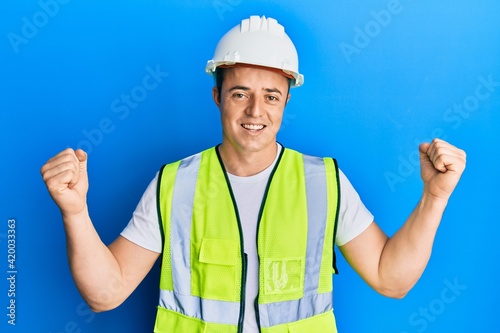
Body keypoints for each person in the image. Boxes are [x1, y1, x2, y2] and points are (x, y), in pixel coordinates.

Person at [40, 15, 466, 333]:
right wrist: (75, 213)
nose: (255, 112)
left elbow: (391, 279)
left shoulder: (324, 183)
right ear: (217, 97)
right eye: (240, 93)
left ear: (285, 103)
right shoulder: (175, 183)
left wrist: (435, 198)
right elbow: (105, 294)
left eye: (271, 97)